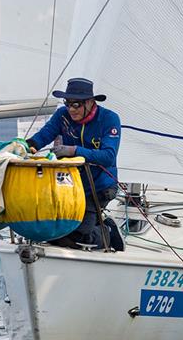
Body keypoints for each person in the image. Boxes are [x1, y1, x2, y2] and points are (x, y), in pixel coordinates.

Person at [26, 78, 121, 249]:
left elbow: (108, 156)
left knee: (78, 238)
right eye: (68, 103)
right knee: (53, 234)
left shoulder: (109, 119)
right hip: (70, 186)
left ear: (90, 102)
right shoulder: (62, 115)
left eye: (76, 104)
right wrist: (24, 146)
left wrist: (74, 151)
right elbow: (43, 136)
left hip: (99, 188)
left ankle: (107, 232)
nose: (71, 109)